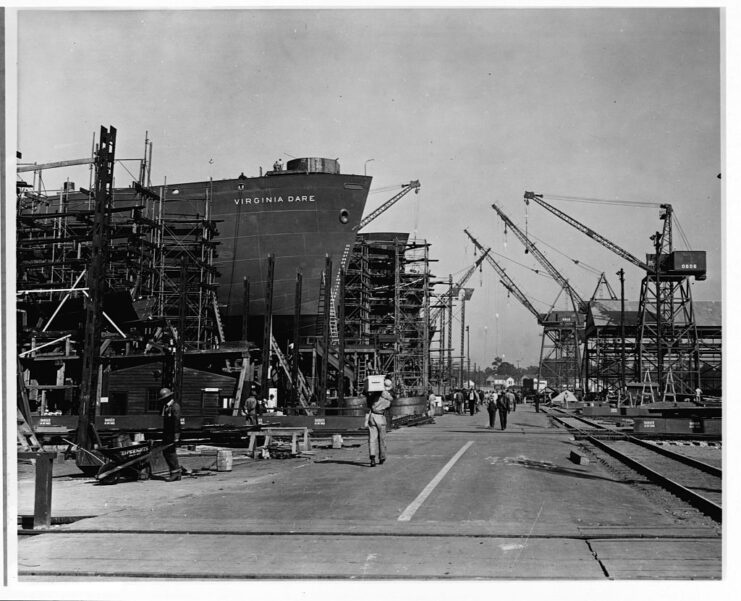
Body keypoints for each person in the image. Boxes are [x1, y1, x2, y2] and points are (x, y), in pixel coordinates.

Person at [366, 378, 393, 467]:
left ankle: (372, 458)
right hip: (381, 417)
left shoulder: (375, 394)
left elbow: (368, 402)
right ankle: (382, 457)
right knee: (382, 439)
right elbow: (388, 408)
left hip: (373, 416)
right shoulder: (389, 398)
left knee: (372, 438)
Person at [160, 387, 182, 482]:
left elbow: (177, 422)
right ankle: (174, 472)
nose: (164, 400)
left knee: (170, 452)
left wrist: (176, 435)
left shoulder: (175, 406)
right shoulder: (166, 407)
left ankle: (176, 473)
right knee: (166, 452)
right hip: (167, 433)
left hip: (172, 433)